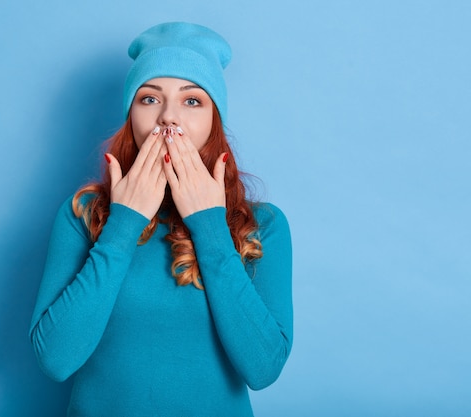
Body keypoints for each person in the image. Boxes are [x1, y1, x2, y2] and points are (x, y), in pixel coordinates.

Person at [29, 22, 293, 416]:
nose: (169, 118)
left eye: (192, 101)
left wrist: (209, 225)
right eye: (150, 99)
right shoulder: (83, 215)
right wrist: (122, 224)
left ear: (214, 120)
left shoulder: (263, 225)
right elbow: (54, 359)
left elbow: (264, 368)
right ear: (130, 115)